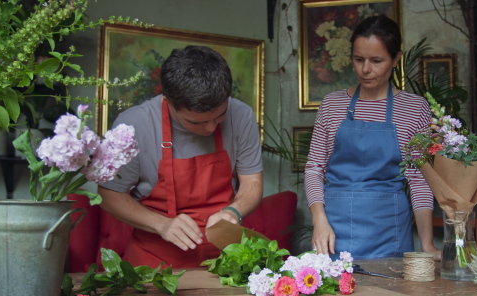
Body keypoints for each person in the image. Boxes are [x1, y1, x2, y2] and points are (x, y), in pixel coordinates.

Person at [98, 46, 263, 268]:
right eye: (196, 122)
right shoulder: (134, 126)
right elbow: (109, 195)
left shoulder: (241, 115)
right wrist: (161, 224)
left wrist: (234, 211)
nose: (211, 127)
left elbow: (252, 181)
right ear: (168, 100)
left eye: (220, 116)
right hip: (155, 261)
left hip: (229, 258)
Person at [304, 15, 441, 261]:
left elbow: (419, 179)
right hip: (333, 233)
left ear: (396, 59)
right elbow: (314, 168)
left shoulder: (415, 108)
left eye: (376, 61)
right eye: (358, 59)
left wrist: (427, 244)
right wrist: (319, 221)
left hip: (390, 233)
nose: (365, 69)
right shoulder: (332, 105)